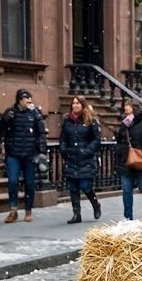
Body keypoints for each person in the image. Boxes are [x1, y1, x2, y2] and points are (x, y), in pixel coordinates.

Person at [0, 89, 47, 223]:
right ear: (20, 100)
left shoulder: (35, 114)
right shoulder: (10, 112)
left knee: (30, 183)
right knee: (12, 181)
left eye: (31, 98)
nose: (30, 101)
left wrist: (41, 151)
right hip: (14, 154)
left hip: (30, 154)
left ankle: (28, 210)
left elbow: (41, 133)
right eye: (27, 98)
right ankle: (13, 210)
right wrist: (5, 121)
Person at [60, 96, 102, 224]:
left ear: (82, 105)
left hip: (85, 158)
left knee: (85, 186)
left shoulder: (90, 120)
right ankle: (76, 214)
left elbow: (96, 139)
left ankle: (95, 204)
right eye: (73, 103)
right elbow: (63, 138)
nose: (75, 105)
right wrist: (64, 150)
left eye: (77, 103)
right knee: (73, 187)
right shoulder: (67, 121)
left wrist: (87, 150)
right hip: (71, 157)